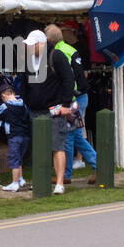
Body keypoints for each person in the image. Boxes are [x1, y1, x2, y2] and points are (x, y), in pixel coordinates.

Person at [21, 29, 76, 195]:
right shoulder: (28, 61)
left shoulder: (56, 56)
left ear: (42, 44)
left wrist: (65, 104)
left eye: (33, 45)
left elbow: (69, 79)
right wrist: (27, 101)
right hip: (35, 111)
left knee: (57, 145)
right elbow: (23, 83)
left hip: (54, 110)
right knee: (39, 148)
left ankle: (60, 182)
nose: (30, 48)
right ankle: (40, 179)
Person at [51, 24, 97, 186]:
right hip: (80, 96)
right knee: (75, 135)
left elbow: (68, 78)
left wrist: (65, 100)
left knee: (70, 137)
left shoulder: (59, 52)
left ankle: (66, 174)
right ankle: (97, 166)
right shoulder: (70, 49)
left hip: (74, 98)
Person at [0, 84, 31, 192]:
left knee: (14, 159)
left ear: (4, 95)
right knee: (19, 159)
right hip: (25, 136)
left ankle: (14, 183)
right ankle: (20, 179)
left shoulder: (5, 106)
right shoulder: (23, 104)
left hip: (14, 136)